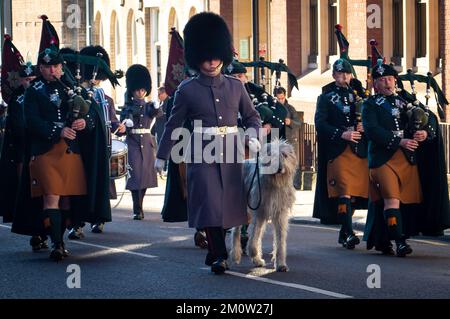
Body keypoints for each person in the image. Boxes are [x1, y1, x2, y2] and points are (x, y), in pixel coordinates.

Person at [154, 12, 261, 274]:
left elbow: (252, 116)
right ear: (197, 58)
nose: (212, 62)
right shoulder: (187, 90)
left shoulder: (236, 87)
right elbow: (173, 124)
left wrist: (253, 135)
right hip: (201, 152)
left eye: (215, 56)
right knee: (211, 205)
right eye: (206, 57)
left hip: (232, 151)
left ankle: (215, 250)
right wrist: (162, 155)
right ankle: (219, 255)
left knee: (229, 207)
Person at [362, 61, 450, 256]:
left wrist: (425, 133)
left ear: (395, 80)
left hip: (407, 159)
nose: (387, 83)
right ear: (375, 84)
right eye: (381, 80)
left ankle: (386, 238)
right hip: (383, 159)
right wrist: (398, 141)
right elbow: (372, 130)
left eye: (390, 79)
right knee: (391, 200)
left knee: (405, 202)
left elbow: (431, 118)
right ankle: (400, 241)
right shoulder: (369, 105)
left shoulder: (406, 100)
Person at [66, 45, 124, 237]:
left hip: (100, 142)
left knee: (99, 182)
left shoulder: (102, 96)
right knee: (79, 182)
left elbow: (108, 119)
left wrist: (119, 127)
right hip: (79, 143)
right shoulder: (76, 90)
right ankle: (78, 221)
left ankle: (98, 218)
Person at [313, 59, 369, 249]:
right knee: (343, 191)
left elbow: (370, 119)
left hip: (357, 151)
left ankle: (344, 233)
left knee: (352, 194)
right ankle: (350, 232)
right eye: (339, 74)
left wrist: (364, 126)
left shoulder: (359, 96)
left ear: (351, 75)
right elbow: (320, 124)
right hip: (337, 150)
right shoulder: (326, 97)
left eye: (346, 73)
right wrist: (341, 133)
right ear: (334, 75)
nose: (343, 77)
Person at [121, 64, 162, 220]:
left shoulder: (149, 105)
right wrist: (127, 122)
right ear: (132, 90)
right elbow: (124, 119)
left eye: (143, 90)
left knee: (145, 177)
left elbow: (155, 113)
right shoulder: (128, 106)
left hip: (146, 142)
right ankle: (136, 208)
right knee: (135, 176)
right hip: (132, 143)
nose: (140, 92)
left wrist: (157, 106)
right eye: (138, 90)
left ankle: (140, 205)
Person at [274, 86, 302, 189]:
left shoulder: (290, 108)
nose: (281, 100)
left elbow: (299, 123)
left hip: (290, 140)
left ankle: (295, 184)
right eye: (278, 98)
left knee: (293, 162)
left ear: (285, 96)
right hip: (277, 139)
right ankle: (280, 183)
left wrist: (290, 122)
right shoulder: (273, 108)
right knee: (278, 162)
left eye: (282, 98)